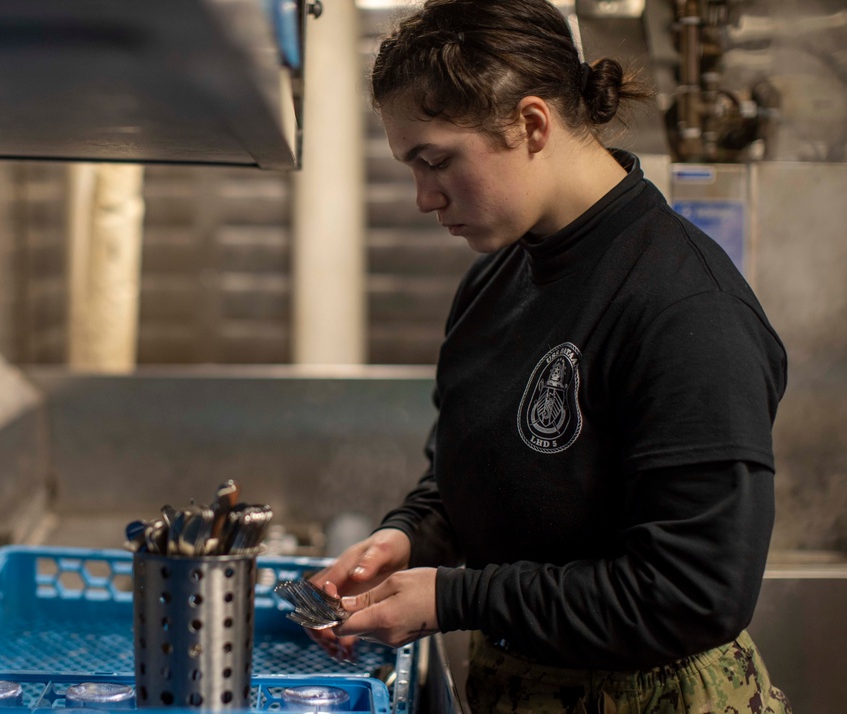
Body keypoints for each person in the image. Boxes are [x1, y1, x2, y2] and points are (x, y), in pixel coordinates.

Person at [303, 0, 793, 712]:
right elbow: (473, 475)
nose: (422, 198)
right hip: (519, 685)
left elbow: (695, 593)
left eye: (435, 160)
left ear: (532, 124)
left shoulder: (685, 307)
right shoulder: (494, 281)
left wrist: (455, 595)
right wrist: (409, 537)